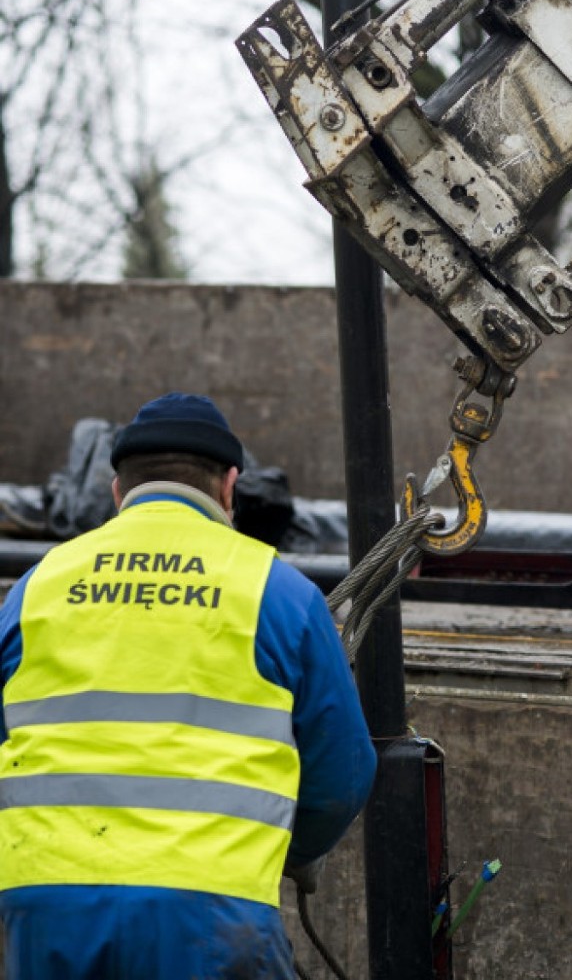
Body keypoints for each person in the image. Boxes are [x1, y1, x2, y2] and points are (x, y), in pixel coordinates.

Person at [0, 392, 376, 980]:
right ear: (230, 486)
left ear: (117, 491)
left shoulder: (36, 587)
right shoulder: (279, 592)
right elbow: (345, 771)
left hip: (47, 907)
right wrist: (293, 852)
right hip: (215, 911)